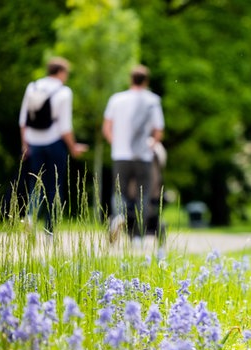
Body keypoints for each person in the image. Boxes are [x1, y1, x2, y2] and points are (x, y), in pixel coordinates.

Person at [18, 57, 88, 234]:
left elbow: (22, 120)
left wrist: (24, 144)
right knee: (54, 186)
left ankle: (31, 216)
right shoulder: (64, 92)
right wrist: (73, 148)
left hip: (33, 143)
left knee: (36, 183)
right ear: (61, 72)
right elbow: (65, 127)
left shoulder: (32, 87)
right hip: (54, 143)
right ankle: (49, 229)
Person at [103, 65, 165, 243]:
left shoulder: (117, 99)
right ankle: (138, 236)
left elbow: (107, 128)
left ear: (131, 79)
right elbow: (158, 131)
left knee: (119, 192)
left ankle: (119, 217)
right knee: (143, 195)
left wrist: (116, 143)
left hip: (120, 154)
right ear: (146, 81)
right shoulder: (152, 100)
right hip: (143, 156)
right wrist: (151, 145)